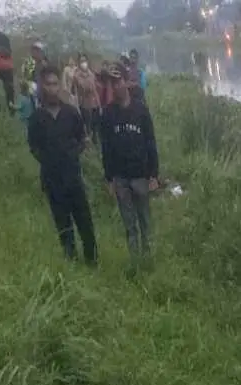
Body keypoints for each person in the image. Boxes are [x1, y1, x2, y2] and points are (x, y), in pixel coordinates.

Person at [27, 67, 97, 265]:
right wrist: (49, 160)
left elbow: (82, 138)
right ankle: (71, 261)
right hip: (52, 180)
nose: (52, 88)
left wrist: (72, 155)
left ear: (60, 86)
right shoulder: (37, 118)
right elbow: (33, 147)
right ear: (42, 87)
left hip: (74, 178)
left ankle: (92, 261)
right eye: (48, 84)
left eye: (55, 84)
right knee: (63, 224)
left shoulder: (71, 113)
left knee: (84, 221)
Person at [100, 65, 159, 256]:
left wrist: (153, 175)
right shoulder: (108, 114)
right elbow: (106, 147)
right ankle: (135, 260)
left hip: (140, 175)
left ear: (126, 82)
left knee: (145, 220)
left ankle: (148, 256)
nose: (116, 86)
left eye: (119, 81)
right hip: (120, 178)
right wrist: (109, 179)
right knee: (129, 223)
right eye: (112, 83)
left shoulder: (141, 110)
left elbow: (150, 142)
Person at [72, 53, 99, 133]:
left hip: (93, 104)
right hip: (83, 105)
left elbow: (95, 90)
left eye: (84, 61)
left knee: (94, 127)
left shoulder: (92, 75)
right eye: (81, 61)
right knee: (86, 127)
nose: (83, 63)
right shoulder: (76, 76)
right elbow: (75, 92)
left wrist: (99, 105)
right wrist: (76, 105)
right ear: (79, 63)